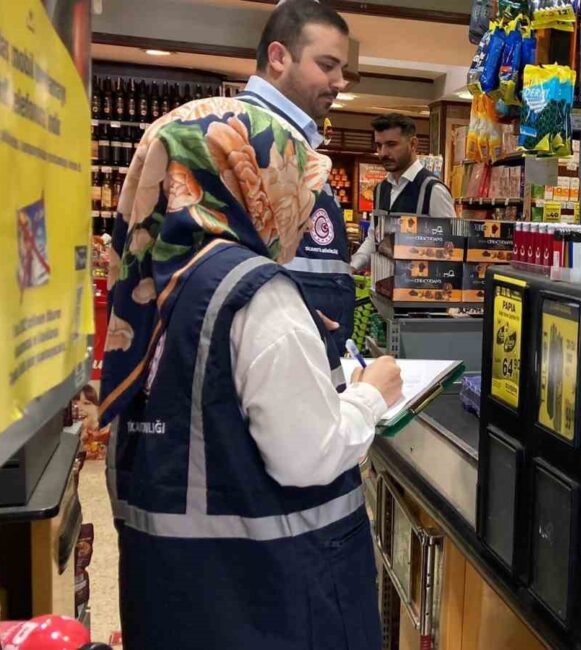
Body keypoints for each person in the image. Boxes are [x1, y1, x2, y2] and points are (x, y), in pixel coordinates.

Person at [97, 10, 401, 650]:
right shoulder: (256, 292)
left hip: (174, 597)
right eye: (283, 172)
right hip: (273, 602)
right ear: (243, 180)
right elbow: (308, 454)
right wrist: (372, 394)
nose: (294, 192)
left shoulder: (153, 281)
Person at [236, 0, 357, 343]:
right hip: (268, 366)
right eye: (327, 65)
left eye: (341, 68)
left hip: (298, 360)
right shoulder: (240, 137)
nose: (340, 82)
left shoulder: (292, 144)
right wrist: (285, 318)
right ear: (278, 58)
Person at [350, 113, 457, 273]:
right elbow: (374, 238)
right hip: (382, 289)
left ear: (413, 144)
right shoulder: (381, 189)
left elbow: (451, 246)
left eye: (391, 144)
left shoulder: (432, 190)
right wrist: (352, 266)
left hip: (418, 291)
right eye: (379, 146)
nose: (383, 153)